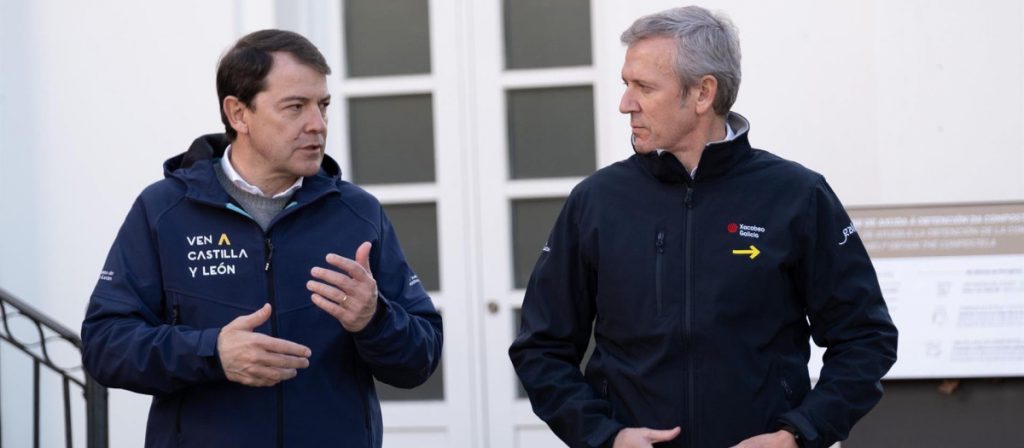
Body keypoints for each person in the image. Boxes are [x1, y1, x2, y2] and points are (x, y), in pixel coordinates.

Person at [509, 6, 897, 448]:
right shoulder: (595, 202)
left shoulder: (797, 196)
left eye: (644, 87)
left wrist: (797, 434)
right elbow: (540, 348)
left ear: (702, 93)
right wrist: (605, 436)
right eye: (625, 84)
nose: (625, 103)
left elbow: (866, 338)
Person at [81, 29, 442, 447]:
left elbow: (420, 359)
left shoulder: (358, 214)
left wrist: (374, 320)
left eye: (323, 106)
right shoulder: (164, 211)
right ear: (238, 114)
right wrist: (213, 352)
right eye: (295, 107)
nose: (317, 124)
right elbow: (105, 345)